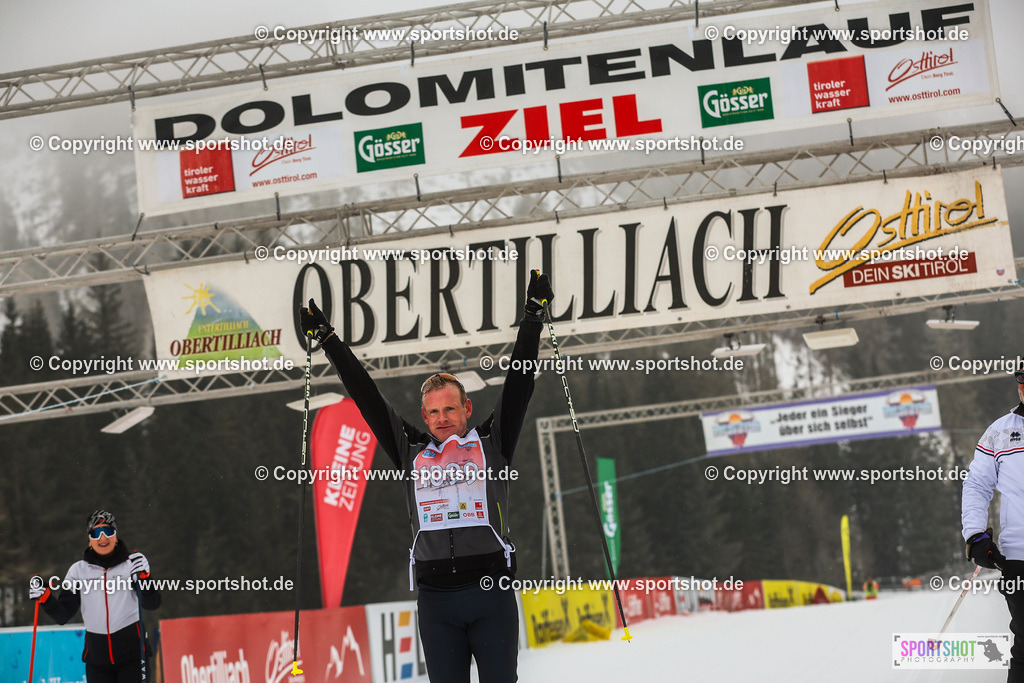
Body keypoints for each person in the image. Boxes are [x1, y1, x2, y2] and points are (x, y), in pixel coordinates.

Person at [299, 269, 553, 683]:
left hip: (491, 593)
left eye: (450, 408)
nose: (442, 418)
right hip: (436, 601)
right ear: (424, 416)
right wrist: (329, 340)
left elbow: (519, 384)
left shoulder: (493, 442)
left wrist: (533, 317)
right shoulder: (410, 451)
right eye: (433, 412)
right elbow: (366, 395)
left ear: (467, 409)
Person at [29, 510, 160, 683]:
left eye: (108, 531)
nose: (102, 538)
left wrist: (145, 577)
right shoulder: (78, 571)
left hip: (133, 657)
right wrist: (46, 598)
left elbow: (152, 603)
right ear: (89, 540)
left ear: (115, 535)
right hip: (98, 661)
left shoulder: (132, 565)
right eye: (96, 533)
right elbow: (63, 615)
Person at [962, 366, 1024, 682]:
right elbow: (977, 484)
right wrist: (976, 535)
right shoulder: (1000, 432)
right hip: (1019, 558)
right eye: (1022, 380)